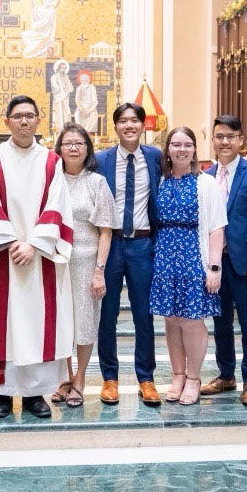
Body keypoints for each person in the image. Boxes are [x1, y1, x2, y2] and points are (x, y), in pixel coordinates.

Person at [0, 95, 74, 419]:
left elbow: (57, 204)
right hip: (3, 258)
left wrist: (34, 244)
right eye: (18, 116)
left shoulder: (51, 161)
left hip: (39, 260)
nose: (24, 121)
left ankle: (35, 394)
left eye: (29, 115)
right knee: (2, 326)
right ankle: (1, 392)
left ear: (39, 120)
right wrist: (11, 241)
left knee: (38, 325)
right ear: (7, 121)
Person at [202, 114, 247, 407]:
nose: (225, 142)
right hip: (216, 264)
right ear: (213, 140)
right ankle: (226, 375)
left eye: (230, 137)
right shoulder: (206, 176)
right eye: (219, 136)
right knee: (220, 324)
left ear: (241, 140)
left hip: (245, 265)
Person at [150, 127, 226, 405]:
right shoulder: (160, 180)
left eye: (187, 145)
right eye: (176, 144)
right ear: (168, 149)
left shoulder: (206, 183)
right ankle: (177, 375)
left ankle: (194, 378)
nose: (181, 149)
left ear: (194, 149)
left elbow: (216, 228)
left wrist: (214, 267)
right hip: (165, 257)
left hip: (194, 257)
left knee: (192, 320)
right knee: (171, 319)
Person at [95, 103, 162, 407]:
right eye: (123, 121)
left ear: (142, 125)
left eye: (134, 120)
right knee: (107, 314)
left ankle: (146, 378)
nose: (129, 125)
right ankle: (110, 378)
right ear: (116, 127)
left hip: (142, 245)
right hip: (110, 244)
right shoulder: (101, 160)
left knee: (143, 314)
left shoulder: (156, 157)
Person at [51, 123, 116, 407]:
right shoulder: (52, 181)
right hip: (56, 261)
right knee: (61, 321)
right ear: (60, 149)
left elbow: (106, 231)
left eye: (79, 143)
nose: (73, 148)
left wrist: (99, 271)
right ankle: (65, 377)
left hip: (86, 262)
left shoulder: (96, 182)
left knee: (85, 322)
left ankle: (80, 379)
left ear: (88, 149)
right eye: (68, 144)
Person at [49, 59, 73, 134]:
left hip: (65, 99)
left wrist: (67, 90)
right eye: (62, 68)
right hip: (58, 99)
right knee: (58, 114)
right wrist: (62, 91)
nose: (63, 69)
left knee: (66, 113)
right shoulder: (54, 77)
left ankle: (67, 130)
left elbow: (70, 87)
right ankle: (58, 131)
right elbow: (55, 88)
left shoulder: (66, 77)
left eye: (64, 68)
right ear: (58, 68)